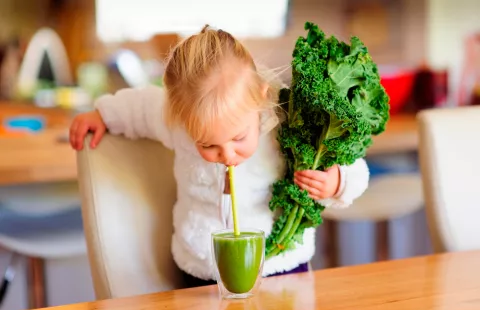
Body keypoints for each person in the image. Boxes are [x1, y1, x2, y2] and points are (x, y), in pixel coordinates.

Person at [69, 25, 369, 288]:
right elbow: (140, 106)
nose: (226, 154)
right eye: (208, 145)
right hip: (202, 268)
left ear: (261, 97)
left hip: (282, 267)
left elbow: (353, 165)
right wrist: (103, 114)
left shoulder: (287, 120)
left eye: (239, 137)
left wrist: (337, 182)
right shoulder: (177, 119)